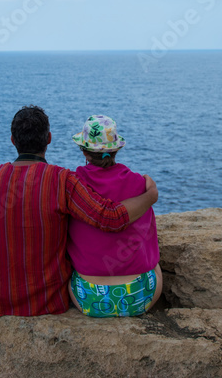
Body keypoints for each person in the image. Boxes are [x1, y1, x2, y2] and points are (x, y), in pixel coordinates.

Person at [0, 105, 159, 318]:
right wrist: (151, 195)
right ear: (49, 139)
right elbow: (109, 217)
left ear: (13, 140)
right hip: (48, 301)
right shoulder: (62, 180)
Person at [66, 115, 162, 317]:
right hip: (139, 296)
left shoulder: (73, 184)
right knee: (155, 265)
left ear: (83, 150)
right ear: (117, 149)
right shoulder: (139, 183)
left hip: (89, 298)